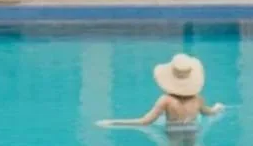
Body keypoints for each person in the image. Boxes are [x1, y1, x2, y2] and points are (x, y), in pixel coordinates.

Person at [96, 53, 224, 128]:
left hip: (172, 133)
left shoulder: (166, 100)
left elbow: (144, 122)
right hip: (193, 130)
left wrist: (113, 122)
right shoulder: (198, 99)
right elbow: (209, 113)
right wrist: (217, 107)